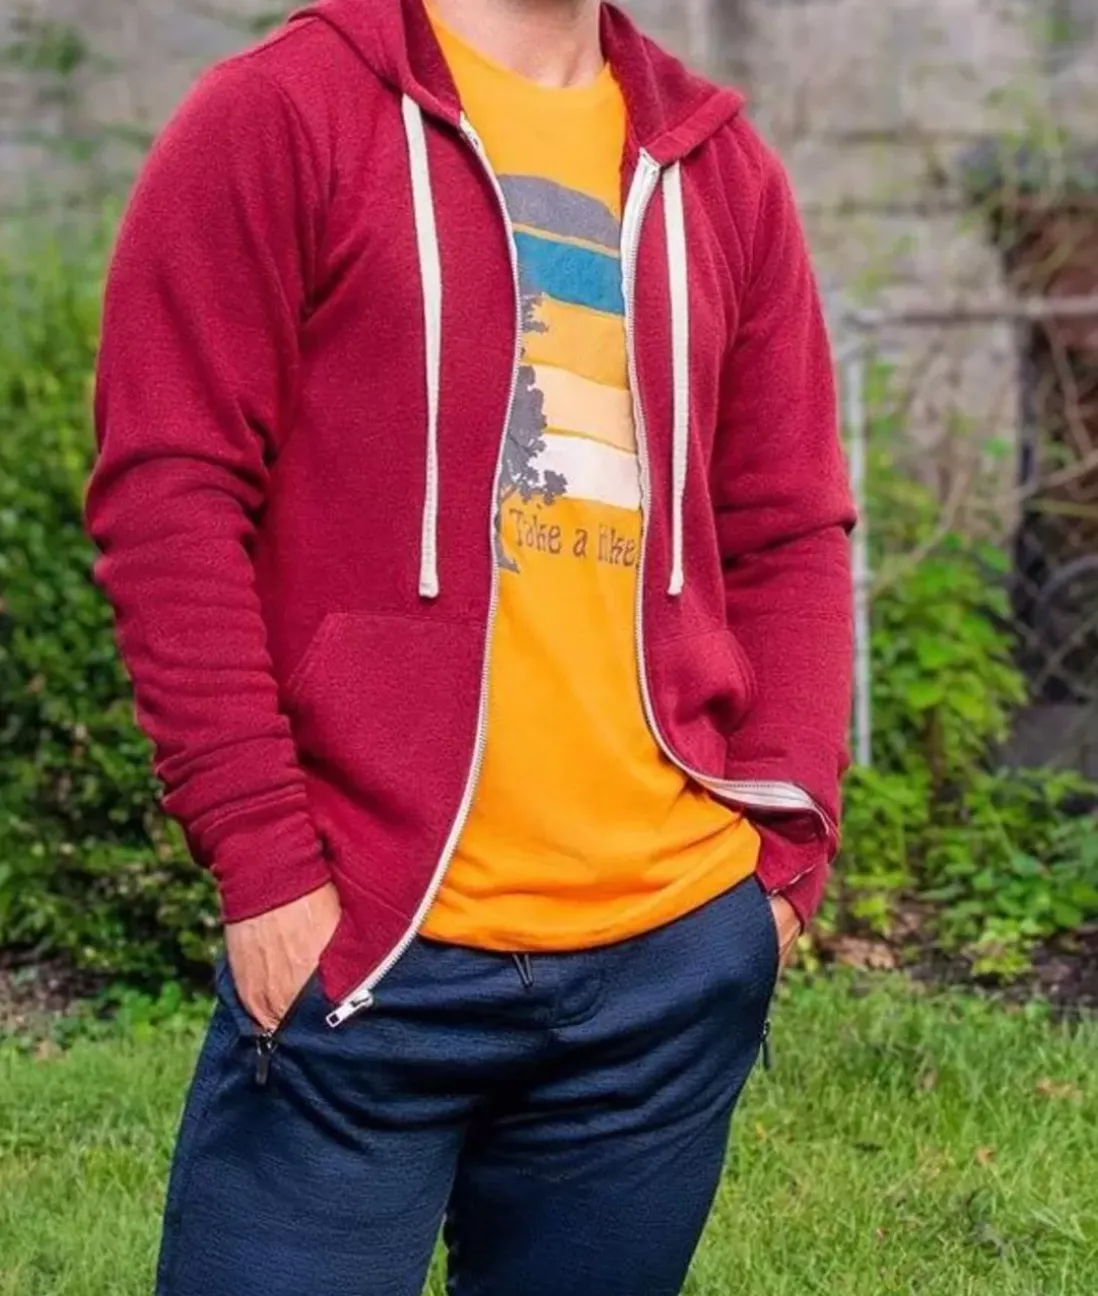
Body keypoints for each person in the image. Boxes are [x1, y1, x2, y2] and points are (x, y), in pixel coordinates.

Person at [87, 0, 854, 1292]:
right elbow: (170, 493)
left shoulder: (717, 166)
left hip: (664, 967)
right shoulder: (283, 115)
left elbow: (788, 527)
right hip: (367, 951)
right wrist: (265, 865)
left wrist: (779, 863)